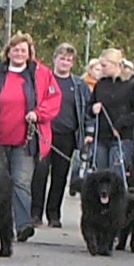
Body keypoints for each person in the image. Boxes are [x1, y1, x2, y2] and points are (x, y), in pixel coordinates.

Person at [0, 32, 61, 243]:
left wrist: (38, 114)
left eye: (23, 50)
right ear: (8, 52)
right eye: (15, 49)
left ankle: (23, 224)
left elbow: (53, 99)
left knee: (21, 182)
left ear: (29, 53)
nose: (19, 53)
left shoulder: (41, 73)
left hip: (26, 139)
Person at [32, 43, 92, 228]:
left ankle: (54, 214)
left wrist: (88, 133)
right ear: (55, 59)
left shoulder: (79, 85)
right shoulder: (44, 79)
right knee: (39, 174)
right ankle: (35, 213)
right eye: (62, 58)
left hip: (66, 135)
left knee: (60, 176)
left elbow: (87, 111)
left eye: (69, 59)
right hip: (44, 133)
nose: (65, 62)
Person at [84, 47, 134, 182]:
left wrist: (121, 124)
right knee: (99, 177)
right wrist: (93, 109)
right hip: (101, 137)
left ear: (115, 65)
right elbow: (89, 108)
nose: (101, 69)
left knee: (116, 177)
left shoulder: (133, 85)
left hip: (122, 138)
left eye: (104, 65)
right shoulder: (100, 85)